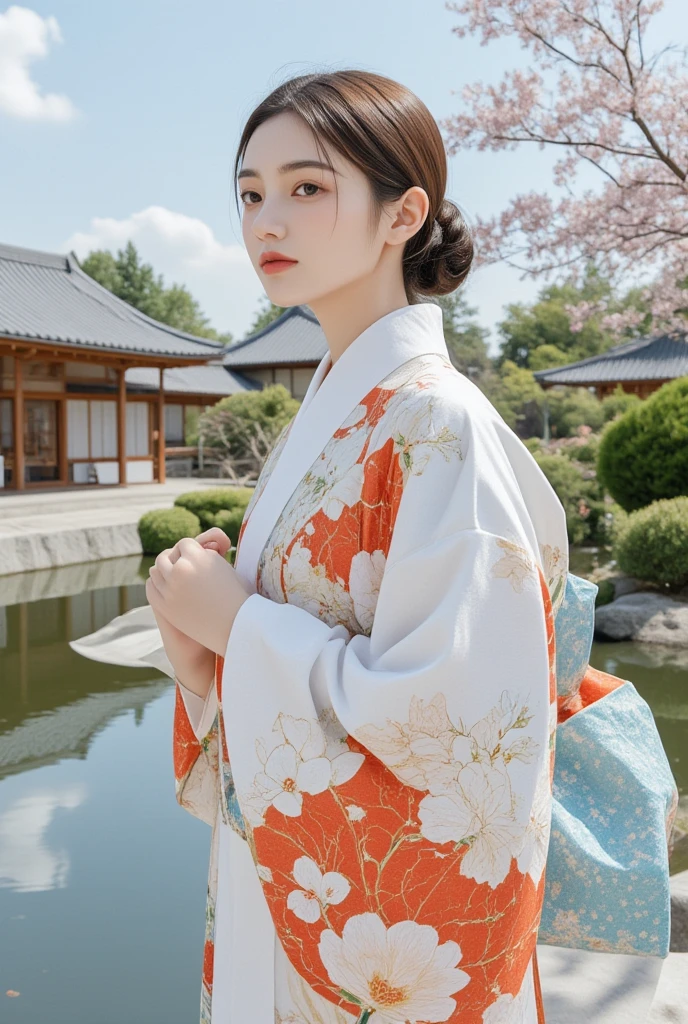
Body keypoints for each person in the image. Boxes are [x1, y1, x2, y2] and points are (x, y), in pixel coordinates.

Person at [70, 70, 674, 1024]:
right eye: (251, 192)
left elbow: (459, 718)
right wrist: (205, 657)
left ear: (405, 213)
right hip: (293, 867)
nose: (268, 219)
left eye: (308, 188)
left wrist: (238, 621)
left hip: (371, 918)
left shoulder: (437, 422)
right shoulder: (340, 407)